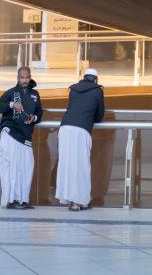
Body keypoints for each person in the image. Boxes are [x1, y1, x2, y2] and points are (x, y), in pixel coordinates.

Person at [56, 67, 105, 211]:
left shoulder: (73, 90)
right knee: (81, 166)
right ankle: (79, 201)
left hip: (65, 129)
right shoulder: (97, 91)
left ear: (84, 77)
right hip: (81, 130)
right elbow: (99, 115)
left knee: (67, 165)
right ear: (95, 79)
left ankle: (71, 200)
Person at [0, 66, 43, 209]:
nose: (24, 80)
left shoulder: (35, 94)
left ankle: (22, 199)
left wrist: (33, 118)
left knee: (27, 167)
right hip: (11, 133)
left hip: (26, 136)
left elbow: (39, 113)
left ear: (30, 77)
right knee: (11, 168)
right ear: (18, 78)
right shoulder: (11, 93)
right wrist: (11, 104)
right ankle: (10, 200)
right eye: (22, 78)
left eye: (27, 77)